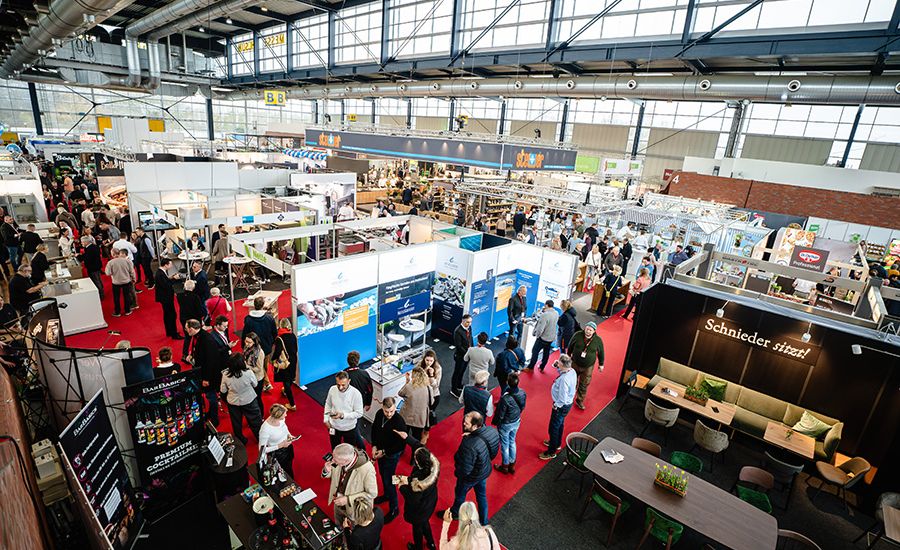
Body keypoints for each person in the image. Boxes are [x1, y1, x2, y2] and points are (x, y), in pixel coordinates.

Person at [441, 411, 499, 525]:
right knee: (481, 496)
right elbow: (493, 452)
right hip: (484, 471)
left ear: (475, 426)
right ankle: (484, 522)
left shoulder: (469, 445)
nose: (463, 424)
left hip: (470, 477)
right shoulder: (492, 431)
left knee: (460, 495)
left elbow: (464, 470)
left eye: (466, 423)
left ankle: (455, 513)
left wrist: (458, 474)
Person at [370, 397, 407, 524]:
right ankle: (386, 495)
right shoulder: (379, 414)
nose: (389, 414)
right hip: (380, 451)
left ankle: (394, 508)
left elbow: (401, 445)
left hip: (391, 455)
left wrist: (384, 452)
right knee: (383, 474)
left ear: (395, 408)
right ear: (382, 408)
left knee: (389, 480)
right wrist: (374, 445)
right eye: (386, 411)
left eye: (391, 411)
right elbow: (374, 430)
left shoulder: (399, 422)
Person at [398, 444, 440, 550]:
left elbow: (413, 499)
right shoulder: (433, 468)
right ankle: (431, 543)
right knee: (425, 522)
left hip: (419, 510)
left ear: (418, 462)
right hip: (430, 502)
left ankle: (418, 547)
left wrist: (401, 487)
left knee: (417, 529)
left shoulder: (419, 481)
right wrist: (409, 480)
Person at [323, 443, 377, 525]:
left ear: (345, 461)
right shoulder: (339, 460)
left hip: (353, 510)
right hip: (337, 503)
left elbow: (372, 494)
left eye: (336, 460)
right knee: (338, 525)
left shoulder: (367, 469)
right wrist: (326, 471)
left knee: (353, 530)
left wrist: (348, 499)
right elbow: (333, 474)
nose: (332, 461)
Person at [184, 319, 222, 425]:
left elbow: (210, 361)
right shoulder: (198, 336)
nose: (186, 331)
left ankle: (215, 419)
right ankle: (211, 413)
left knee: (211, 396)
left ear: (192, 329)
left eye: (186, 329)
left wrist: (206, 379)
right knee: (209, 396)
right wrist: (192, 356)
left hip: (209, 375)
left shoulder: (207, 339)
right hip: (201, 371)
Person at [539, 354, 576, 460]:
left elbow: (562, 399)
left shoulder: (564, 380)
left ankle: (551, 451)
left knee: (553, 428)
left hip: (561, 406)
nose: (557, 364)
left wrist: (556, 405)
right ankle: (557, 443)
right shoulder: (572, 371)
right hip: (567, 404)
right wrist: (557, 367)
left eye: (559, 364)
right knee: (560, 424)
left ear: (563, 365)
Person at [220, 352, 262, 444]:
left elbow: (223, 390)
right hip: (249, 400)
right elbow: (255, 384)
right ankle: (260, 438)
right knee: (255, 421)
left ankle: (240, 440)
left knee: (236, 423)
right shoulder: (248, 373)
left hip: (233, 402)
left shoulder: (225, 375)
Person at [566, 322, 605, 411]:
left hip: (588, 366)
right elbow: (570, 345)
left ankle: (579, 400)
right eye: (587, 329)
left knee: (584, 384)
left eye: (590, 330)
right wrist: (568, 354)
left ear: (594, 331)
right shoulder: (577, 335)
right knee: (572, 381)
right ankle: (569, 396)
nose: (588, 331)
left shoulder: (598, 340)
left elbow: (601, 352)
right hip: (575, 363)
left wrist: (601, 364)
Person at [492, 372, 525, 475]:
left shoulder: (505, 398)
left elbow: (500, 414)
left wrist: (496, 422)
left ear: (507, 382)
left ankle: (505, 466)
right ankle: (512, 464)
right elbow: (522, 406)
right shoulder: (522, 392)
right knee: (512, 441)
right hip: (516, 421)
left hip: (505, 424)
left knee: (504, 444)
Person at [242, 296, 277, 391]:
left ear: (254, 305)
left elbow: (245, 334)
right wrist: (272, 342)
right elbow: (274, 332)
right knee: (263, 365)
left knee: (257, 366)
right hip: (267, 346)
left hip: (253, 348)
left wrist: (244, 346)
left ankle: (264, 383)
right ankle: (266, 383)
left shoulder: (248, 319)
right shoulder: (269, 318)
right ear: (263, 305)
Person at [324, 371, 366, 449]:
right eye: (338, 384)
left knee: (349, 450)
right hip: (333, 426)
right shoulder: (332, 389)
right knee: (335, 448)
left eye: (343, 385)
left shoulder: (356, 394)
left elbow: (359, 413)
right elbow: (328, 403)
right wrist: (326, 419)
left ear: (349, 381)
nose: (340, 388)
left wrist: (343, 415)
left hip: (349, 428)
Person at [259, 403, 297, 479]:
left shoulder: (281, 419)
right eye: (284, 414)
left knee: (289, 465)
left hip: (288, 447)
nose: (286, 415)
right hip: (278, 454)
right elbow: (262, 450)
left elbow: (284, 427)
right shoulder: (265, 430)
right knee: (283, 471)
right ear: (278, 416)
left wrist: (289, 434)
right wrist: (280, 445)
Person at [399, 366, 434, 443]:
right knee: (416, 439)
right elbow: (431, 402)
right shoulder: (429, 388)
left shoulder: (409, 386)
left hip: (406, 416)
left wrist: (407, 382)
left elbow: (400, 393)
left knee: (403, 436)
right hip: (420, 418)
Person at [526, 300, 559, 372]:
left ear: (546, 305)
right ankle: (542, 367)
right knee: (546, 353)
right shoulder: (556, 313)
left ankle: (530, 367)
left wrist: (537, 336)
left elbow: (540, 329)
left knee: (535, 351)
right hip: (551, 338)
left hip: (543, 338)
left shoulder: (545, 315)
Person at [154, 257, 182, 339]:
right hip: (166, 297)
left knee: (167, 315)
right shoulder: (160, 274)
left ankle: (169, 331)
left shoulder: (161, 272)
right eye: (170, 264)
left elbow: (165, 281)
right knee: (171, 315)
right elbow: (166, 285)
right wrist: (174, 279)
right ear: (166, 265)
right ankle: (174, 334)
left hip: (165, 297)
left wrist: (171, 278)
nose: (171, 266)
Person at [105, 249, 136, 317]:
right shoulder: (127, 261)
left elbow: (108, 273)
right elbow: (132, 271)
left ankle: (117, 312)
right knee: (127, 296)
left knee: (116, 298)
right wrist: (134, 279)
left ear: (113, 254)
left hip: (116, 282)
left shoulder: (110, 263)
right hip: (126, 281)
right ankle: (127, 310)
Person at [243, 332, 267, 413]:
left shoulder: (259, 353)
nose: (246, 344)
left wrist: (247, 366)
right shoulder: (247, 348)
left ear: (254, 342)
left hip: (257, 378)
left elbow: (259, 368)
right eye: (246, 341)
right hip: (248, 376)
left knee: (257, 398)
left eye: (249, 342)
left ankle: (261, 414)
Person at [450, 315, 473, 398]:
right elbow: (459, 346)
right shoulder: (458, 331)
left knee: (462, 371)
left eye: (470, 322)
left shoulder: (469, 328)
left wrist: (472, 350)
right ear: (463, 321)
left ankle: (459, 385)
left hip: (467, 355)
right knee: (457, 372)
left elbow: (470, 339)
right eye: (467, 322)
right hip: (460, 356)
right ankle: (453, 389)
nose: (469, 324)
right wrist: (468, 354)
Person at [419, 349, 443, 431]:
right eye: (427, 360)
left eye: (431, 361)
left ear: (434, 360)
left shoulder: (438, 368)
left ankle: (429, 429)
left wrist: (431, 375)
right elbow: (416, 380)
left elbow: (436, 385)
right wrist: (424, 371)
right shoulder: (420, 364)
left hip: (433, 395)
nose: (429, 363)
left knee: (430, 412)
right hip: (422, 394)